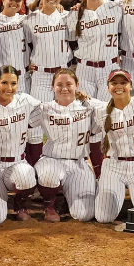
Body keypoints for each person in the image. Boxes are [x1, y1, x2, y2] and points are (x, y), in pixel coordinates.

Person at [30, 68, 100, 223]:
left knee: (84, 215)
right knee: (49, 177)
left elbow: (110, 111)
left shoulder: (88, 108)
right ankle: (49, 205)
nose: (64, 88)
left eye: (69, 84)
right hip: (52, 160)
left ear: (77, 85)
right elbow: (22, 120)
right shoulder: (44, 108)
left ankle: (65, 200)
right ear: (52, 87)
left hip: (79, 163)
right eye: (59, 84)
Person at [0, 66, 41, 224]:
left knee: (27, 177)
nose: (9, 88)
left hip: (17, 163)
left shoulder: (26, 101)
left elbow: (47, 110)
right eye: (4, 82)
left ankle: (20, 203)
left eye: (13, 83)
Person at [24, 0, 72, 102]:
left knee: (64, 116)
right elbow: (25, 46)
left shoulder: (68, 17)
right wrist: (27, 62)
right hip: (41, 76)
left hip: (64, 73)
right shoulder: (29, 20)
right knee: (40, 117)